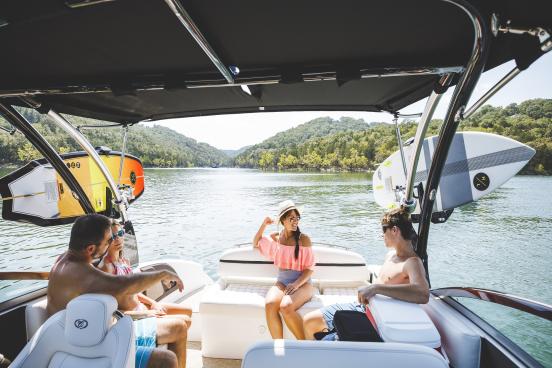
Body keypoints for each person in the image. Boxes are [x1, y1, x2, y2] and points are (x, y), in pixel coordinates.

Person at [46, 214, 185, 368]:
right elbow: (124, 284)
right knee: (167, 360)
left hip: (77, 336)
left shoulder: (63, 260)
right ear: (91, 248)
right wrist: (163, 274)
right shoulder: (80, 272)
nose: (113, 242)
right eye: (108, 241)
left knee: (177, 329)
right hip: (80, 347)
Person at [302, 207, 430, 340]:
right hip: (363, 307)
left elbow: (423, 293)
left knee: (314, 325)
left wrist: (376, 288)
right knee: (309, 320)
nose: (382, 235)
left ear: (394, 230)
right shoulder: (391, 255)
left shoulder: (412, 262)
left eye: (383, 230)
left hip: (374, 318)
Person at [98, 220, 192, 366]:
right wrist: (147, 314)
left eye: (121, 234)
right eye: (113, 236)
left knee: (187, 313)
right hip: (132, 317)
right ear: (105, 240)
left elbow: (134, 293)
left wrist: (153, 303)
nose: (118, 239)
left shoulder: (124, 261)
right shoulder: (107, 269)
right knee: (181, 325)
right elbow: (112, 312)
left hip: (142, 308)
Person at [252, 199, 315, 340]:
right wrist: (264, 224)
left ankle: (305, 346)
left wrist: (296, 284)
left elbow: (310, 268)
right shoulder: (277, 239)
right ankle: (279, 348)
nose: (295, 221)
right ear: (282, 220)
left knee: (286, 307)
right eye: (291, 218)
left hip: (303, 284)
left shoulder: (304, 239)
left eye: (297, 218)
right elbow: (255, 242)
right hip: (282, 282)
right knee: (269, 304)